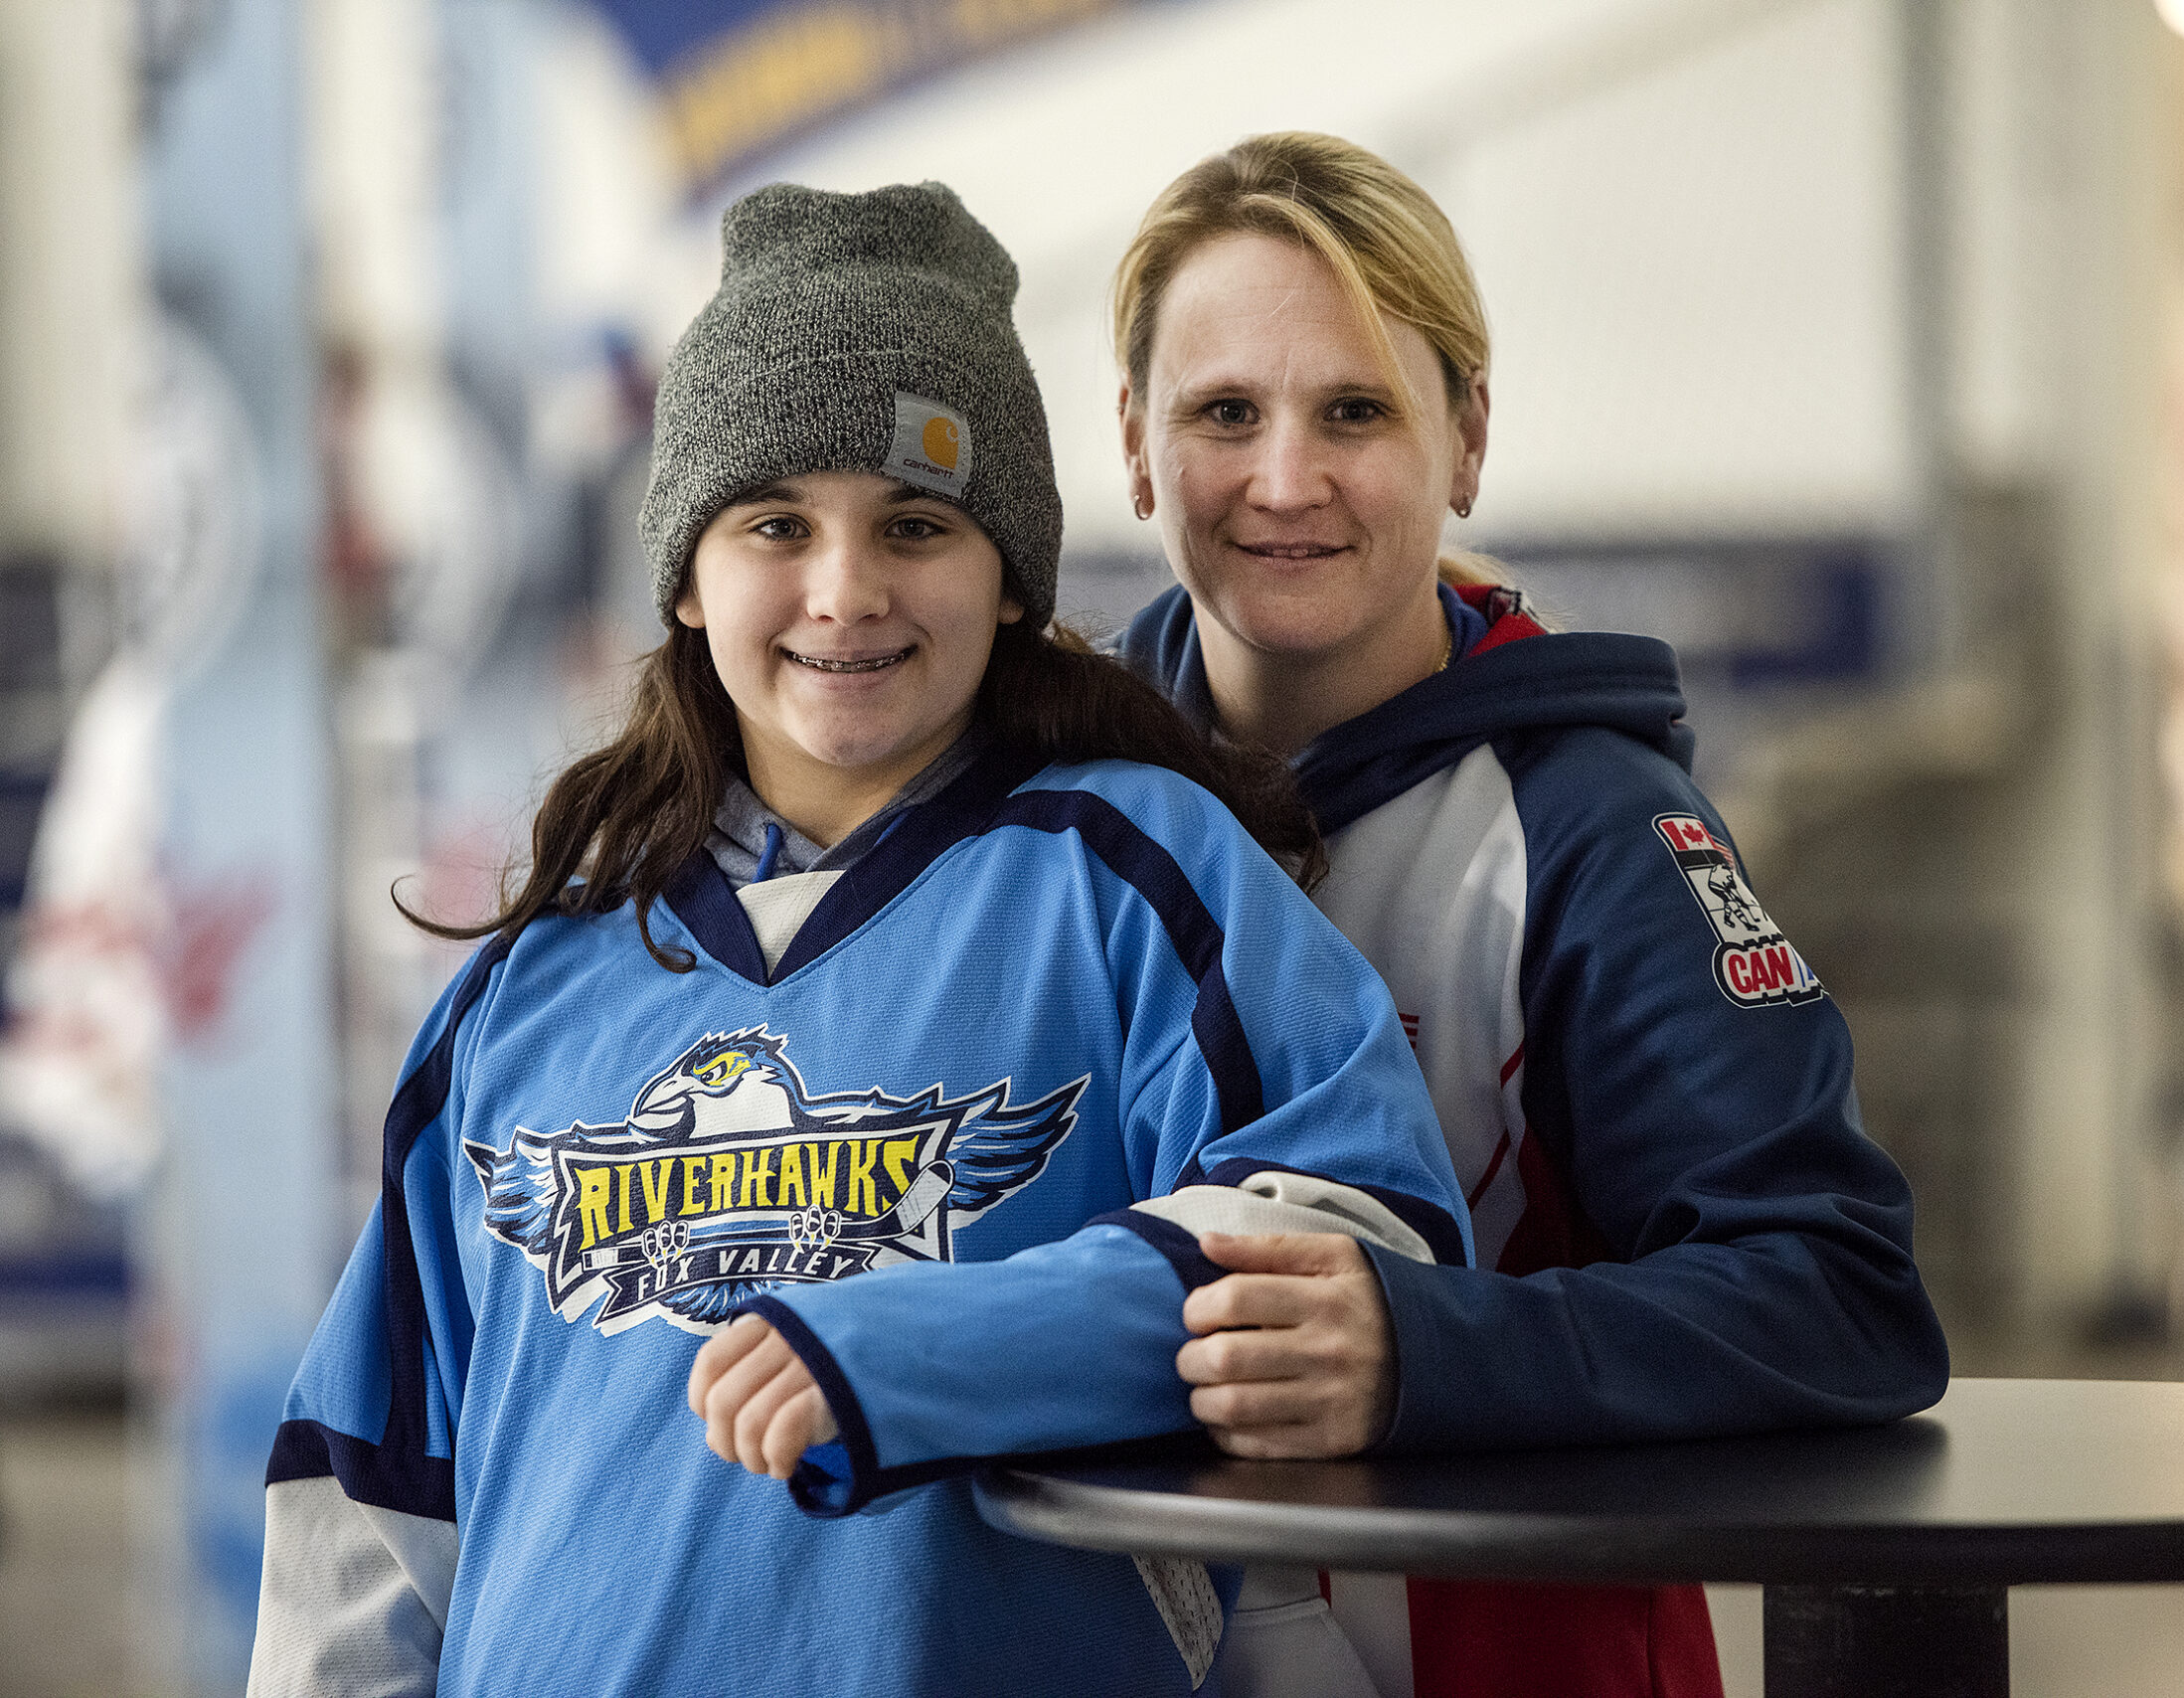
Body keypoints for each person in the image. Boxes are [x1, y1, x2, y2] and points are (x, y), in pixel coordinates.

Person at [246, 180, 1471, 1698]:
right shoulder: (527, 984)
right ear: (688, 577)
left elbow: (1361, 1238)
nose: (847, 590)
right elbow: (367, 1511)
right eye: (776, 523)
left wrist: (921, 1351)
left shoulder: (1131, 875)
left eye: (915, 523)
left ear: (1009, 577)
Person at [1109, 133, 1952, 1698]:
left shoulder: (1590, 826)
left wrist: (1425, 1353)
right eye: (1226, 411)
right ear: (1138, 446)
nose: (1284, 479)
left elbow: (1843, 1298)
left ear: (1467, 438)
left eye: (1354, 410)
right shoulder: (1043, 809)